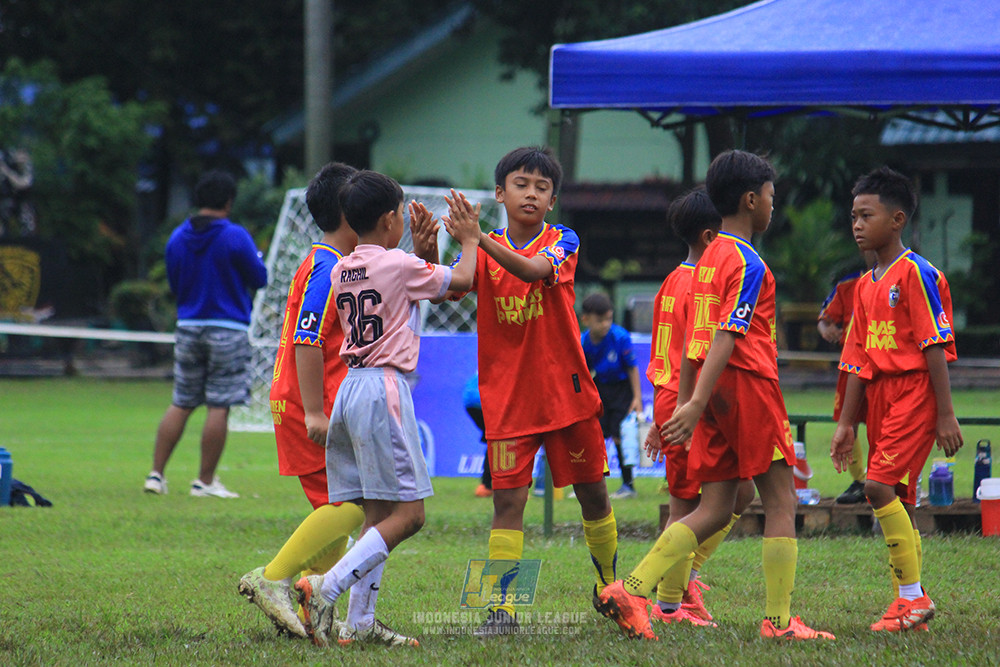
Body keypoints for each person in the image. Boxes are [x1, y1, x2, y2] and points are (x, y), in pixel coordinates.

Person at [598, 150, 834, 641]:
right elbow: (727, 335)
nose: (773, 205)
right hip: (746, 386)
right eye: (771, 197)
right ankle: (779, 622)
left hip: (708, 389)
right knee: (781, 499)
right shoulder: (747, 262)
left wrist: (689, 401)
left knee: (715, 503)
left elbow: (691, 344)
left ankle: (632, 589)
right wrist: (696, 403)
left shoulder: (704, 263)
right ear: (751, 200)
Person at [292, 170, 480, 648]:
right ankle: (324, 588)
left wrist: (419, 250)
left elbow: (401, 288)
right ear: (390, 218)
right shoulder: (398, 265)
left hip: (350, 389)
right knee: (410, 515)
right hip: (384, 389)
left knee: (377, 513)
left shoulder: (341, 269)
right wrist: (471, 239)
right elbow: (462, 279)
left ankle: (360, 622)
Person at [445, 146, 619, 637]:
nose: (531, 193)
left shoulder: (563, 238)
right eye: (521, 184)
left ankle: (610, 587)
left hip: (567, 395)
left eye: (542, 188)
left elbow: (534, 271)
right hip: (508, 400)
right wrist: (424, 249)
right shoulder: (480, 248)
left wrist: (477, 238)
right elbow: (448, 285)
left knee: (593, 494)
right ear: (501, 192)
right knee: (507, 503)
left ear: (552, 200)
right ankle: (502, 612)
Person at [830, 166, 962, 633]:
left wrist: (945, 414)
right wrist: (847, 423)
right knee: (898, 498)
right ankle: (909, 606)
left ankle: (912, 597)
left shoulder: (918, 274)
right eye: (853, 216)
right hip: (881, 397)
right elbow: (858, 359)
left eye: (867, 214)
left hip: (915, 393)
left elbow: (933, 345)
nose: (857, 224)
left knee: (876, 487)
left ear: (898, 219)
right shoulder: (864, 284)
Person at [238, 162, 367, 638]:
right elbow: (306, 337)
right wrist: (315, 409)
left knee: (335, 513)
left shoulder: (324, 260)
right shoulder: (329, 267)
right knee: (356, 504)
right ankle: (273, 578)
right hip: (304, 403)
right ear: (351, 214)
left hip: (299, 398)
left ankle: (315, 599)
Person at [643, 187, 755, 628]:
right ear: (713, 237)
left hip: (672, 396)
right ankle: (671, 604)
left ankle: (685, 577)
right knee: (687, 504)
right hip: (689, 398)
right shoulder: (703, 282)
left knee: (738, 492)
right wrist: (687, 406)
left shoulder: (671, 279)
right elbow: (698, 348)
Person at [144, 170, 267, 498]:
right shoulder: (235, 236)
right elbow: (259, 278)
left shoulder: (177, 237)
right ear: (228, 201)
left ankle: (156, 475)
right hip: (228, 328)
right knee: (219, 404)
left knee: (182, 401)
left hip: (188, 326)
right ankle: (205, 481)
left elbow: (174, 284)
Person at [817, 252, 875, 504]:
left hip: (884, 367)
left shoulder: (904, 279)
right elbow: (825, 317)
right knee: (849, 423)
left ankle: (882, 477)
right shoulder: (848, 285)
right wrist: (826, 329)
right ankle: (860, 480)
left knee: (883, 424)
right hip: (851, 365)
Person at [580, 292, 643, 499]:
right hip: (599, 389)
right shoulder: (584, 342)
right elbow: (584, 372)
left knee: (620, 435)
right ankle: (595, 486)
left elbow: (632, 369)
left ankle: (628, 485)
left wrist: (637, 399)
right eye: (600, 320)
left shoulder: (620, 337)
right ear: (586, 319)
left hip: (621, 389)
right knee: (595, 436)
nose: (606, 324)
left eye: (609, 318)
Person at [463, 370, 493, 497]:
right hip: (484, 398)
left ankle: (487, 485)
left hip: (470, 399)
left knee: (494, 439)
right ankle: (488, 486)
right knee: (499, 440)